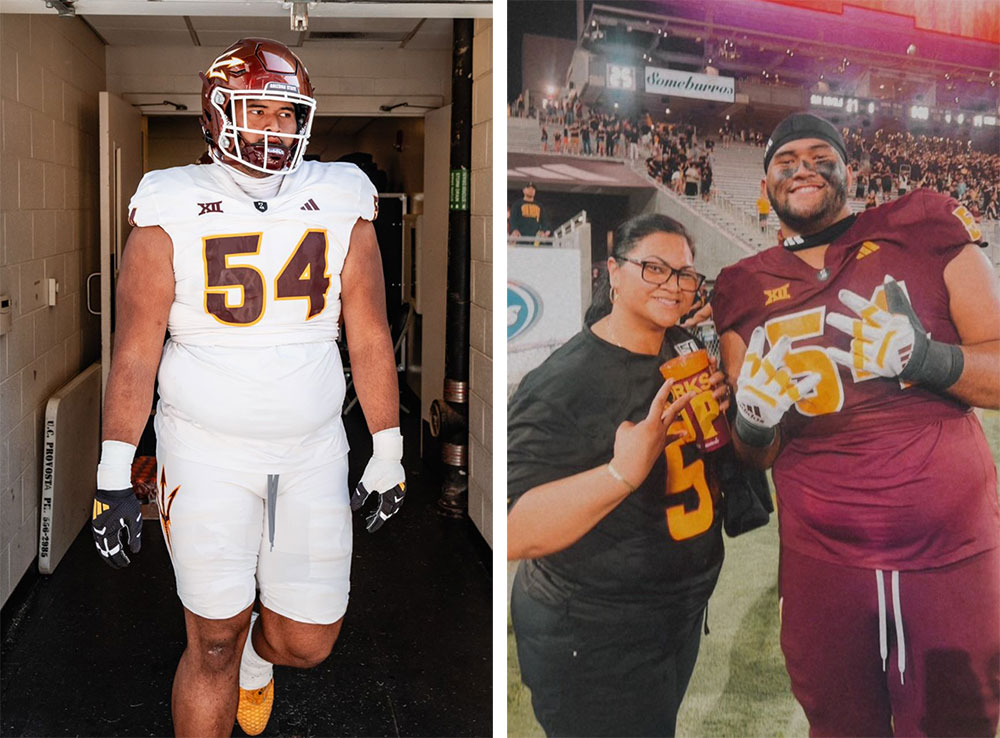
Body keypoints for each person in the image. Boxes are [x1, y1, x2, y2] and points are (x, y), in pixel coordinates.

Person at [89, 38, 406, 737]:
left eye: (287, 113)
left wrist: (389, 448)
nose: (274, 128)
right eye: (256, 110)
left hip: (313, 452)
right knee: (211, 641)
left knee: (308, 641)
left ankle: (259, 664)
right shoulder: (169, 203)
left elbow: (371, 334)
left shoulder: (341, 195)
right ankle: (235, 660)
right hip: (205, 453)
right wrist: (113, 474)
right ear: (217, 113)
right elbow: (136, 353)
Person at [712, 112, 999, 737]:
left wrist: (928, 358)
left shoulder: (920, 227)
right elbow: (753, 452)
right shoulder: (741, 286)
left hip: (949, 554)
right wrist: (755, 422)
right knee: (841, 727)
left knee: (959, 725)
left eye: (821, 155)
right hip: (825, 562)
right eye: (785, 161)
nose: (803, 168)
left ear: (853, 171)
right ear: (765, 187)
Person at [508, 214, 730, 737]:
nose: (673, 286)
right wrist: (619, 474)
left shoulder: (683, 347)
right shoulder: (562, 382)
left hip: (674, 612)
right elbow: (517, 529)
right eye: (654, 268)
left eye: (684, 274)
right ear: (614, 270)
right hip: (595, 630)